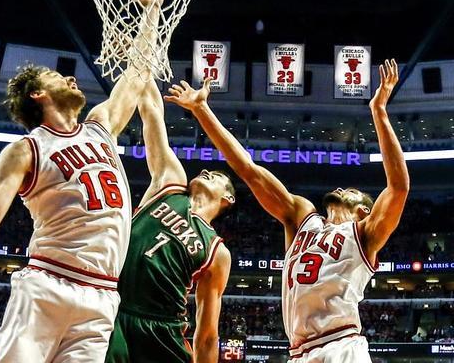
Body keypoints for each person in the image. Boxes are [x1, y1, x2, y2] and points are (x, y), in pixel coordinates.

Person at [0, 0, 164, 363]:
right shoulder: (27, 150)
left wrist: (152, 9)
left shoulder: (101, 126)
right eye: (58, 77)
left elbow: (135, 74)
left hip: (102, 296)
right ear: (38, 94)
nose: (72, 78)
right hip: (48, 283)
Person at [165, 59, 409, 363]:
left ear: (363, 211)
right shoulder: (301, 217)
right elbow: (249, 171)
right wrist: (202, 111)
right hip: (299, 352)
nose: (343, 189)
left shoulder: (365, 234)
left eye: (353, 192)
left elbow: (398, 187)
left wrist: (379, 112)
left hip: (342, 346)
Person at [105, 77, 233, 363]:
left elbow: (208, 332)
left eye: (217, 176)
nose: (206, 171)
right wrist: (144, 58)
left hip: (163, 329)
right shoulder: (170, 183)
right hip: (114, 309)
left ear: (228, 199)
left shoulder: (217, 250)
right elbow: (151, 110)